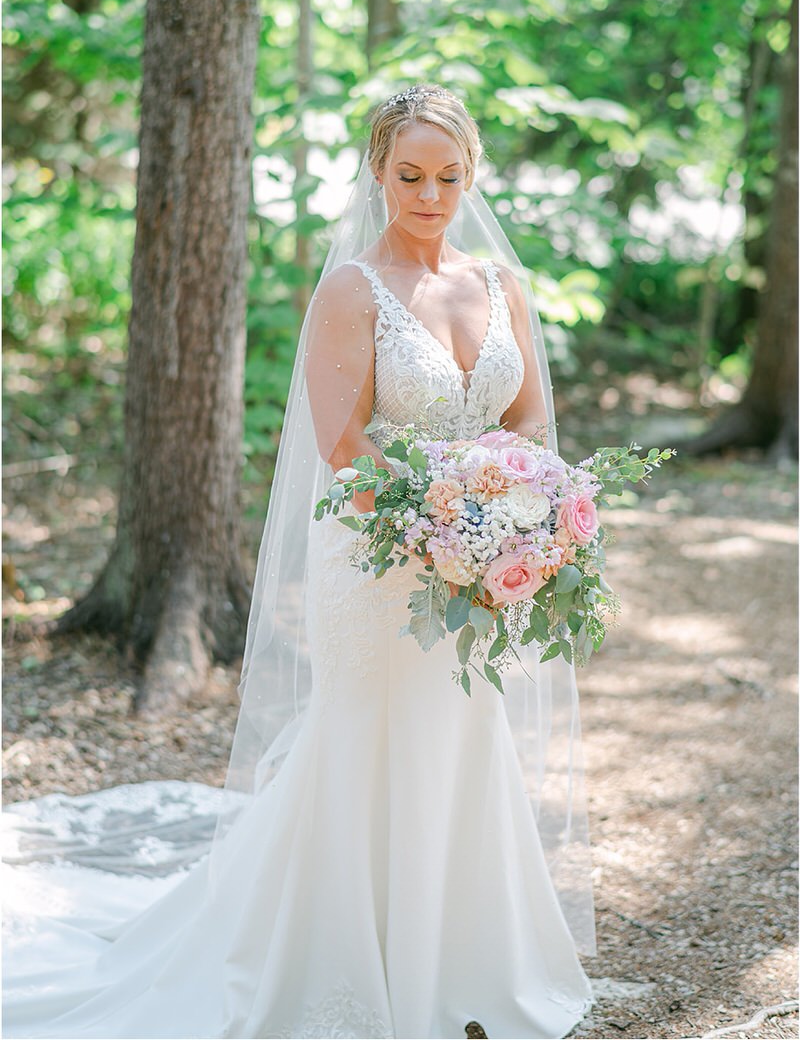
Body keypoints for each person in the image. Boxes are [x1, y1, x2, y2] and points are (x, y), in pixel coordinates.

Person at [2, 84, 597, 1039]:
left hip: (479, 553)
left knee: (460, 740)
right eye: (409, 175)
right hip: (378, 549)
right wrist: (443, 505)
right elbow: (345, 444)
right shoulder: (351, 290)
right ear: (378, 170)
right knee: (367, 742)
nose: (430, 194)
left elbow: (529, 417)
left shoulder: (500, 287)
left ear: (472, 175)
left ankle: (458, 961)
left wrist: (505, 497)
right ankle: (343, 962)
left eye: (449, 176)